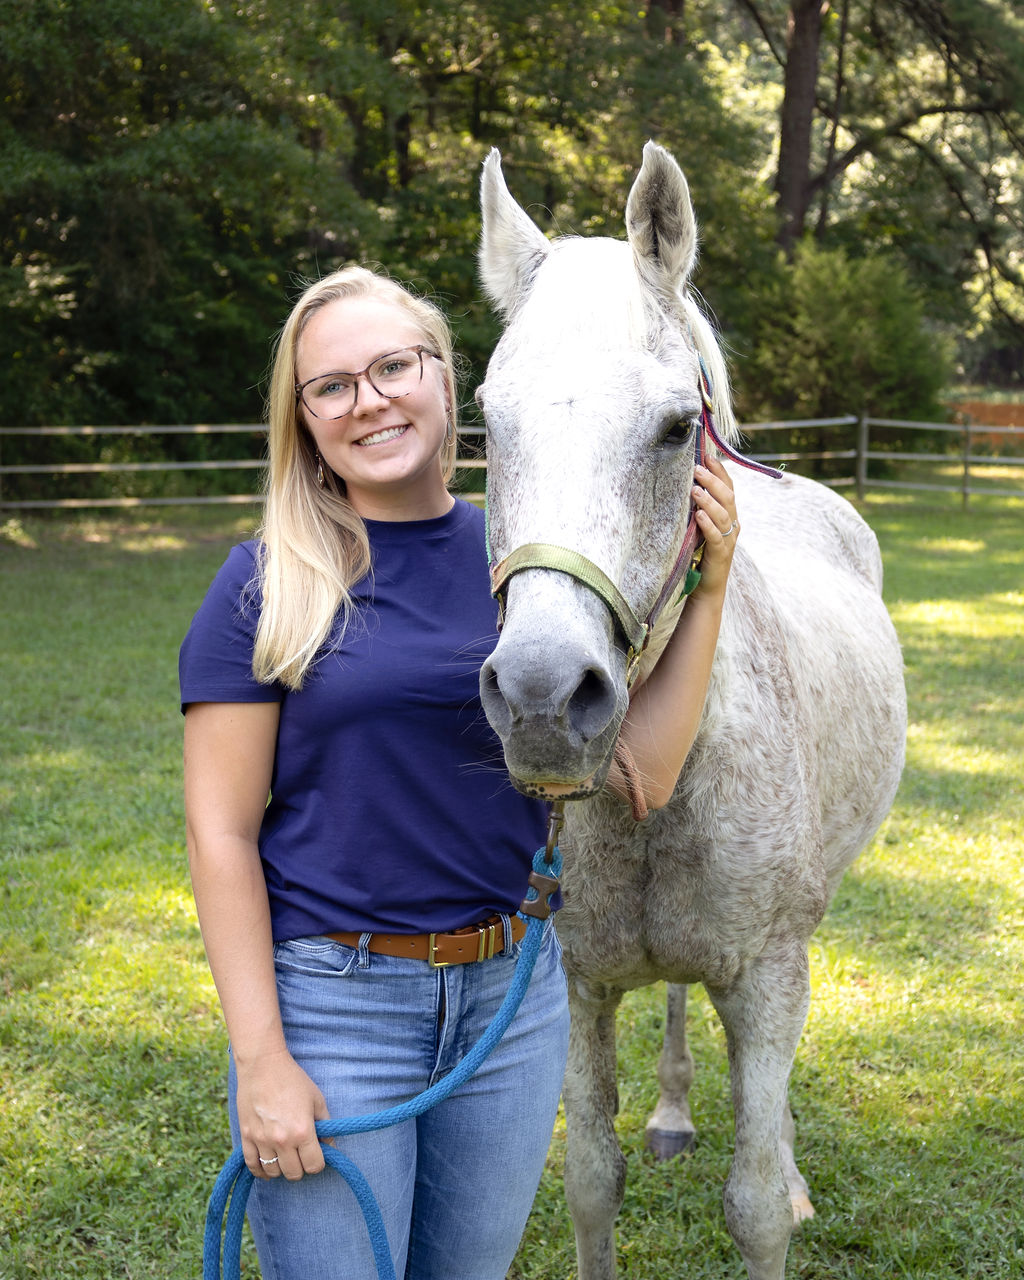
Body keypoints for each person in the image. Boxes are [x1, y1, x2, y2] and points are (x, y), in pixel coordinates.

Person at [179, 264, 740, 1280]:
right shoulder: (268, 578)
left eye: (394, 366)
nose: (370, 398)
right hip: (332, 1003)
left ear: (447, 379)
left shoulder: (532, 573)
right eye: (332, 385)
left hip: (511, 1002)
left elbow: (643, 772)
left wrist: (708, 586)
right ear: (302, 418)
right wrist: (262, 1057)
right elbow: (219, 832)